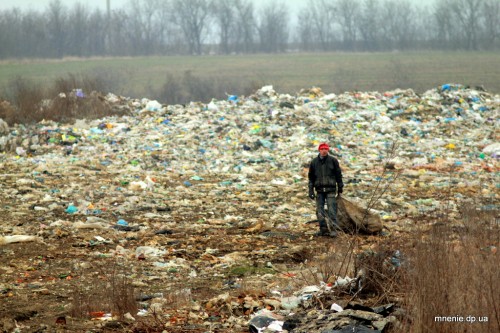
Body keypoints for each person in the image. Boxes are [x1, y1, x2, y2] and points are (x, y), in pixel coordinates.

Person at [308, 142, 344, 237]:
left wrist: (340, 186)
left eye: (326, 149)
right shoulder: (314, 162)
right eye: (322, 149)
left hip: (331, 189)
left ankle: (334, 230)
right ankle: (323, 230)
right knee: (319, 211)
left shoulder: (333, 161)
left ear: (328, 150)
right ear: (319, 150)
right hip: (319, 190)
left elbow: (338, 175)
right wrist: (310, 190)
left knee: (332, 211)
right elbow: (311, 177)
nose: (324, 151)